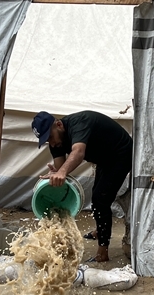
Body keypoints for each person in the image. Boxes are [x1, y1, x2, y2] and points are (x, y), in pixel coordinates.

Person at [32, 110, 132, 263]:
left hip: (121, 153)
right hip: (104, 158)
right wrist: (56, 174)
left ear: (58, 124)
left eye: (50, 137)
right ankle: (100, 231)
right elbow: (60, 169)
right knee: (96, 195)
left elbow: (78, 152)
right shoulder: (56, 141)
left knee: (101, 199)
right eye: (46, 140)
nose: (51, 143)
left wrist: (62, 171)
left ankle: (102, 252)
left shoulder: (80, 123)